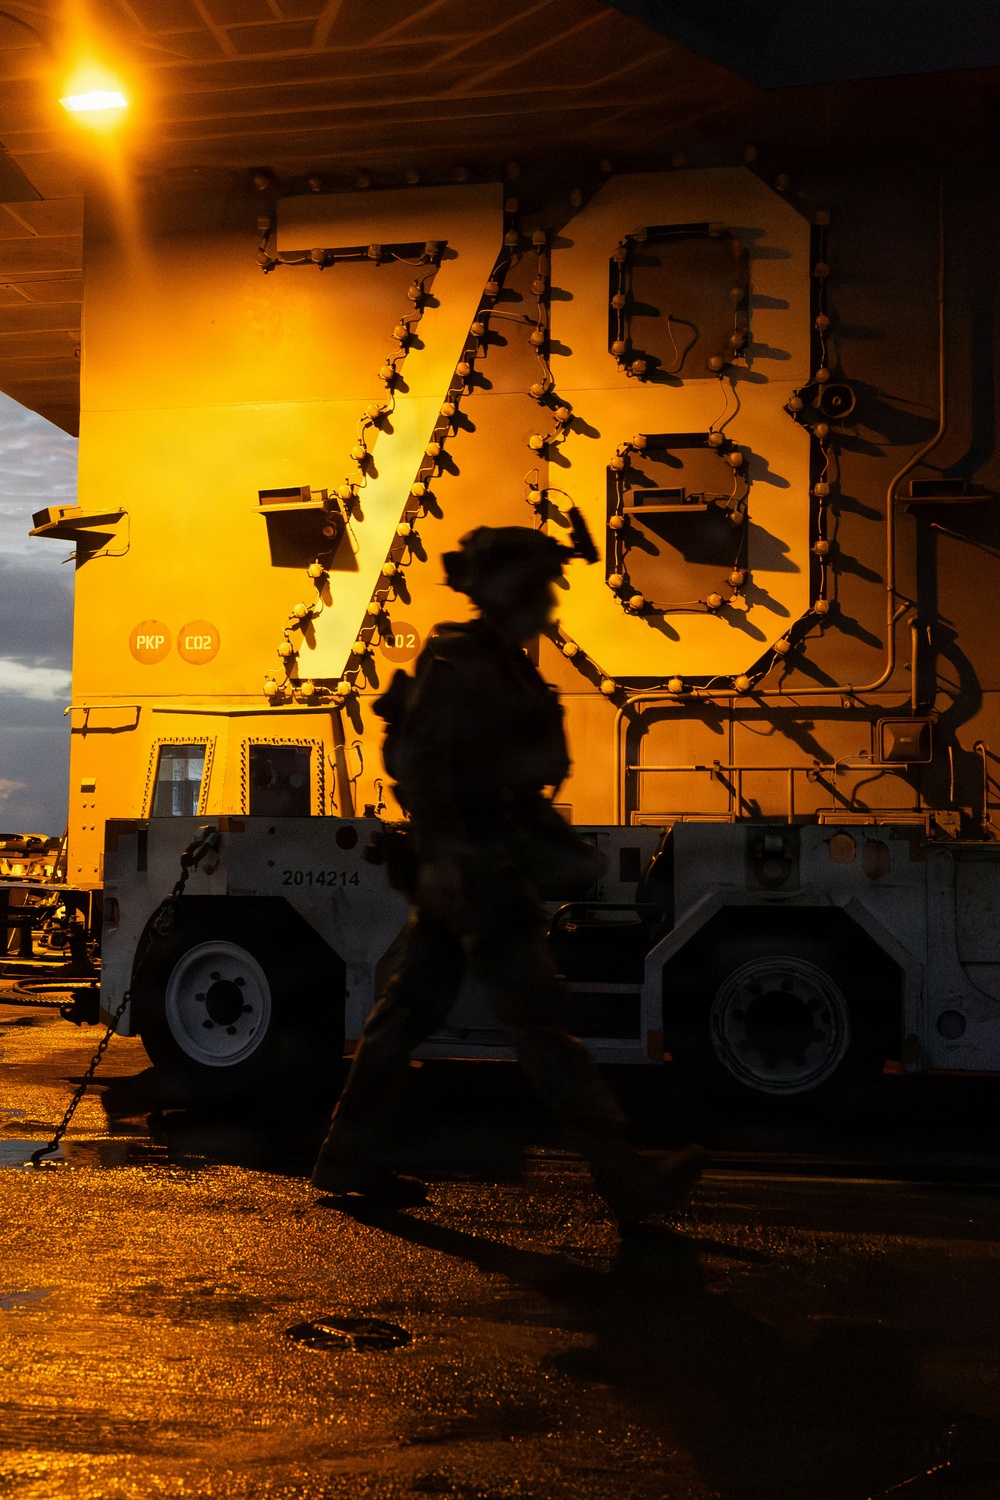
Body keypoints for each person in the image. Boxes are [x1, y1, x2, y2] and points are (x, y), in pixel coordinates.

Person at [312, 523, 704, 1226]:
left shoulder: (504, 663)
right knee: (539, 1022)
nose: (549, 596)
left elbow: (513, 781)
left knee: (406, 1014)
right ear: (501, 587)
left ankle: (348, 1155)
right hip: (473, 874)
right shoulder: (460, 657)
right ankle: (626, 1180)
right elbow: (424, 768)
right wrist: (448, 863)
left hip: (477, 866)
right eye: (537, 581)